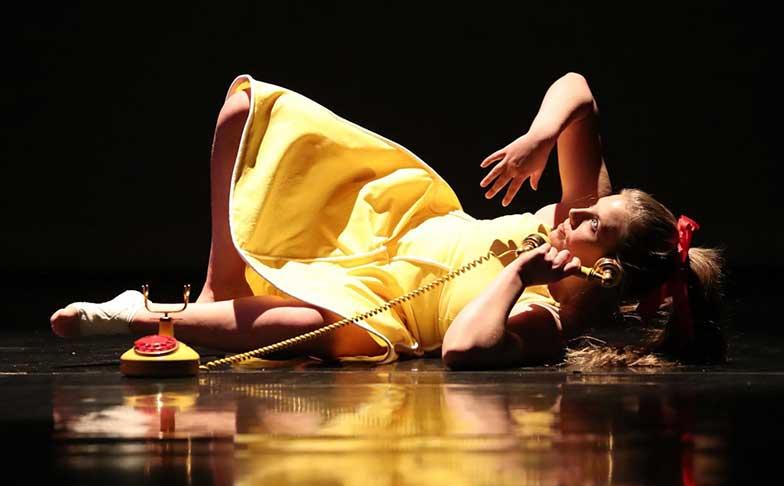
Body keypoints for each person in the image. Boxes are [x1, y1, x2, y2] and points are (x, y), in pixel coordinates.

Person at [50, 72, 725, 368]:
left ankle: (144, 314)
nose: (573, 214)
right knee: (251, 115)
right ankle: (219, 281)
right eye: (587, 207)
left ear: (599, 268)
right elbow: (577, 91)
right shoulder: (570, 212)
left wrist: (520, 274)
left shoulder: (551, 318)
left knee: (326, 329)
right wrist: (542, 136)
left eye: (590, 226)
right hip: (399, 221)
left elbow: (462, 348)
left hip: (389, 305)